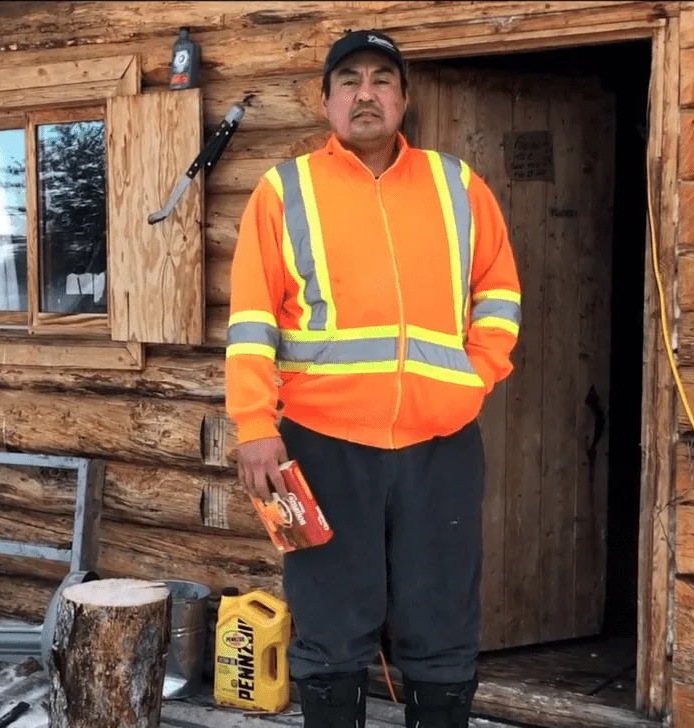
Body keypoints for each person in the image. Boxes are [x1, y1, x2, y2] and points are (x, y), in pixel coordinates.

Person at [223, 28, 522, 728]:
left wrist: (471, 381)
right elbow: (250, 320)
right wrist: (255, 426)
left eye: (382, 80)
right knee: (329, 625)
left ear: (404, 98)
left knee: (441, 619)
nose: (366, 93)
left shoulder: (459, 186)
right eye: (350, 80)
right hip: (318, 447)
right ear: (324, 101)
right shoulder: (283, 191)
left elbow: (500, 297)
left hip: (440, 447)